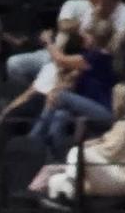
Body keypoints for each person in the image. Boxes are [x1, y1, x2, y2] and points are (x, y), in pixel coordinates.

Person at [34, 83, 125, 213]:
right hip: (109, 173)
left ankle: (69, 196)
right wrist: (93, 144)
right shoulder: (122, 122)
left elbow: (111, 151)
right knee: (56, 182)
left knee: (78, 151)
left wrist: (90, 146)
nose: (113, 101)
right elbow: (105, 142)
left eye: (116, 98)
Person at [7, 0, 125, 82]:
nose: (93, 6)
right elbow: (68, 28)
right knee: (14, 64)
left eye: (97, 2)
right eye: (92, 2)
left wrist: (48, 42)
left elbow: (112, 48)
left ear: (111, 0)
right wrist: (83, 33)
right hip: (72, 57)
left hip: (111, 61)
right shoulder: (92, 10)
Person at [30, 20, 117, 151]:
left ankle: (31, 140)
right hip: (87, 106)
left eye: (86, 35)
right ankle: (54, 154)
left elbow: (61, 60)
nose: (83, 38)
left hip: (103, 111)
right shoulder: (90, 56)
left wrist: (48, 42)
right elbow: (72, 78)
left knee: (60, 96)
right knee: (60, 114)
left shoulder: (98, 56)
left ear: (93, 37)